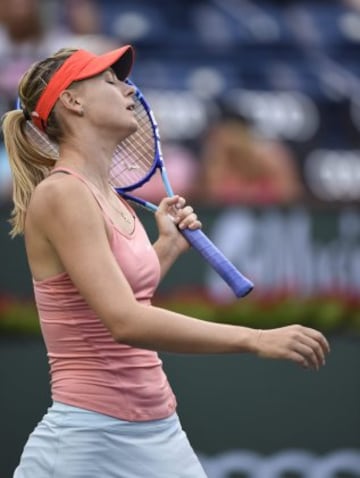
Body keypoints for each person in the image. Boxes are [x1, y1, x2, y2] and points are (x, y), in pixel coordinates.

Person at [1, 44, 330, 478]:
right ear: (72, 101)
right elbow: (125, 320)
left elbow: (122, 294)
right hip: (87, 443)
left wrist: (168, 247)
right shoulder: (62, 194)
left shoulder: (110, 198)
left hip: (158, 431)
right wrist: (256, 338)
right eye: (110, 81)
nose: (130, 91)